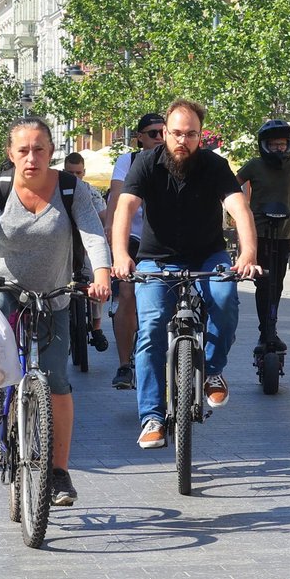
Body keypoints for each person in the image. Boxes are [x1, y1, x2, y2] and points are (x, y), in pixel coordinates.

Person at [0, 117, 111, 507]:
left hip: (54, 293)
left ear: (51, 152)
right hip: (2, 286)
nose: (31, 158)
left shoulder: (70, 188)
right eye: (23, 150)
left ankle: (58, 472)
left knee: (57, 379)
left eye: (39, 149)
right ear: (11, 154)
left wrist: (102, 277)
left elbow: (93, 235)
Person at [111, 98, 260, 449]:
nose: (183, 140)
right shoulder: (145, 164)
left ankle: (211, 368)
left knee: (225, 300)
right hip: (155, 259)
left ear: (200, 135)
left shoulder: (214, 165)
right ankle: (151, 416)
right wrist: (120, 255)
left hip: (208, 255)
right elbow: (125, 207)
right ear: (164, 133)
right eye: (176, 133)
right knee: (149, 328)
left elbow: (239, 209)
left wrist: (249, 253)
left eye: (191, 134)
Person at [236, 119, 290, 351]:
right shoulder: (254, 165)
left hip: (285, 231)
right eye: (273, 144)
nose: (279, 149)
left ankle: (271, 325)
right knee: (263, 282)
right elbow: (233, 186)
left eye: (283, 144)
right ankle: (265, 329)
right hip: (259, 231)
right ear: (264, 145)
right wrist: (240, 209)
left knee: (278, 283)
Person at [105, 113, 165, 389]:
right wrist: (111, 237)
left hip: (165, 240)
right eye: (153, 133)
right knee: (127, 294)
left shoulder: (175, 159)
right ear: (139, 137)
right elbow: (117, 200)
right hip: (132, 235)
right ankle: (125, 364)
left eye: (164, 132)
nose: (160, 138)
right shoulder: (126, 162)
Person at [63, 151, 110, 352]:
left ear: (84, 172)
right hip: (63, 243)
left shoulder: (91, 192)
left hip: (86, 242)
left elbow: (102, 216)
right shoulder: (56, 190)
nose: (74, 177)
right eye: (70, 173)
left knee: (95, 278)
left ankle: (97, 327)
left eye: (78, 172)